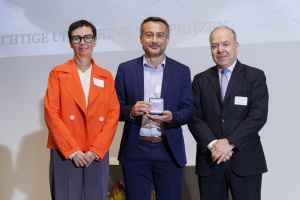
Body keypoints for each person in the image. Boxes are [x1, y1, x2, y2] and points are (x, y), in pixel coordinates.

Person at [115, 16, 193, 200]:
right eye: (149, 35)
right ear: (141, 38)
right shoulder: (125, 69)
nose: (154, 40)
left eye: (160, 35)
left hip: (168, 149)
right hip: (135, 148)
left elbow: (189, 110)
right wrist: (131, 111)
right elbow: (114, 108)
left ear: (167, 39)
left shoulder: (181, 71)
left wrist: (172, 117)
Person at [188, 26, 269, 200]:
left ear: (236, 46)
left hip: (245, 160)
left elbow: (257, 116)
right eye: (214, 45)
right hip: (210, 160)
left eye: (225, 44)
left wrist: (230, 143)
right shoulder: (200, 79)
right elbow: (194, 117)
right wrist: (214, 145)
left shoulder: (255, 76)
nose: (220, 50)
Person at [44, 20, 120, 200]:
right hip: (66, 152)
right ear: (71, 43)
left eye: (87, 37)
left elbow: (113, 114)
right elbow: (51, 113)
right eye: (77, 38)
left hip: (95, 154)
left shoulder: (105, 76)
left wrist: (96, 150)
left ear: (95, 41)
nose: (83, 42)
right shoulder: (58, 73)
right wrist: (72, 150)